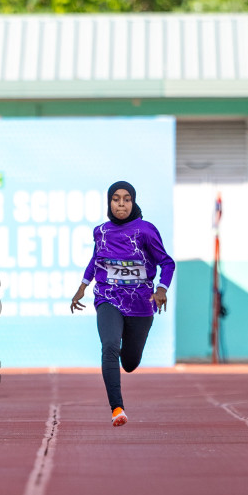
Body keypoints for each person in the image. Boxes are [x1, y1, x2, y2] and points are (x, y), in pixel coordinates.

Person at [69, 181, 174, 427]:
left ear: (133, 202)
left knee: (129, 362)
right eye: (116, 199)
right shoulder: (101, 231)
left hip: (140, 305)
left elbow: (167, 263)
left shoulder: (146, 231)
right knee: (109, 346)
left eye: (127, 199)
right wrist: (83, 286)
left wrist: (161, 288)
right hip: (108, 298)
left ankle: (130, 339)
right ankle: (117, 408)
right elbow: (96, 259)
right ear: (109, 202)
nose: (121, 204)